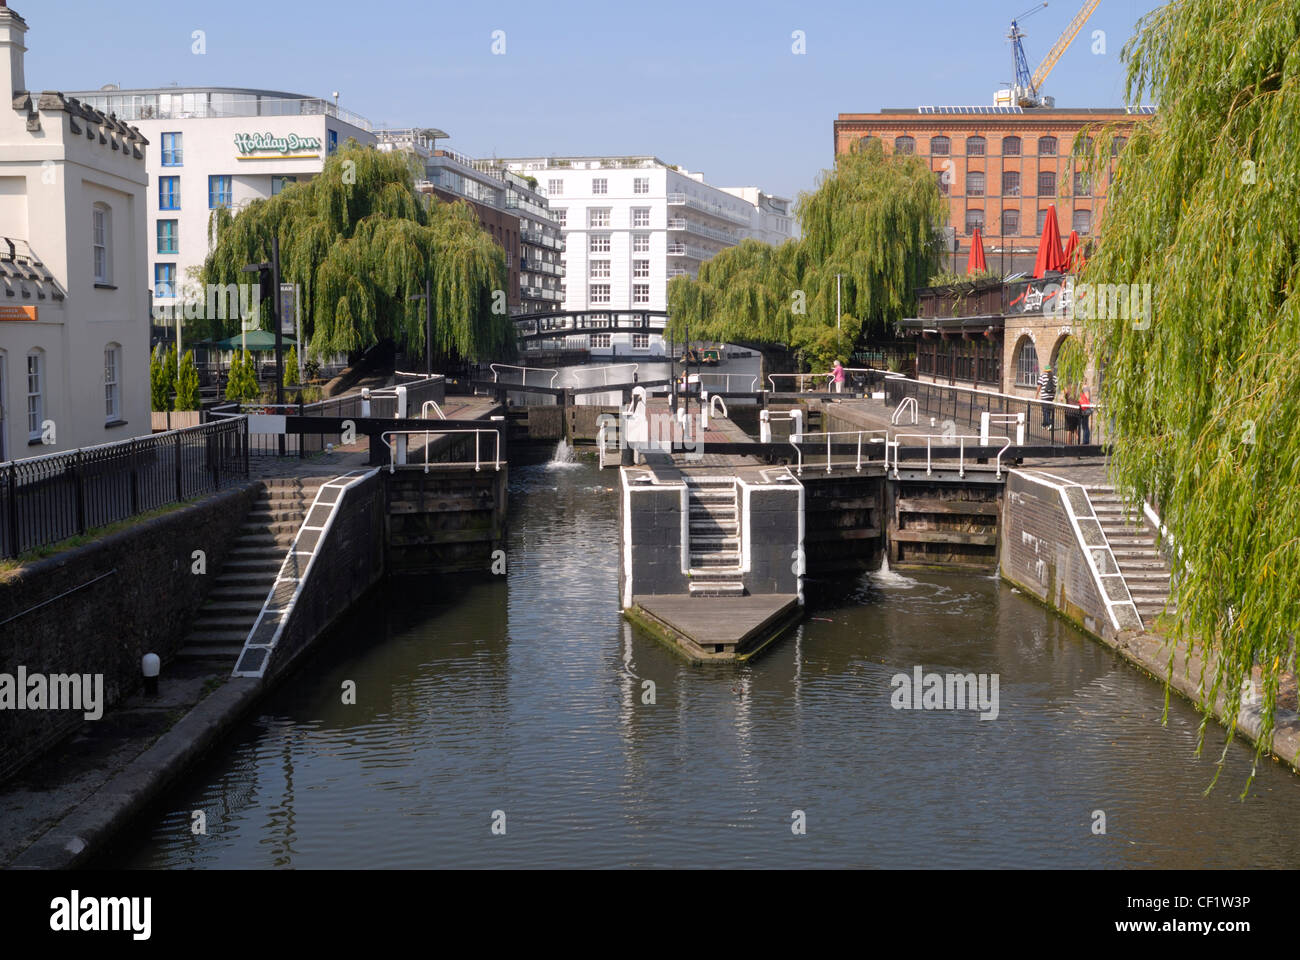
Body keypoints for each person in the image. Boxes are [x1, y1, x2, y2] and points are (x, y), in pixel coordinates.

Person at [1037, 363, 1057, 434]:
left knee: (1045, 411)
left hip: (1044, 397)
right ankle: (1044, 424)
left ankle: (1049, 423)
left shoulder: (1042, 376)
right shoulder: (1054, 377)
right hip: (1051, 397)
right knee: (1048, 411)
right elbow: (1055, 386)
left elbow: (1039, 386)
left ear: (1045, 370)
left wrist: (1036, 395)